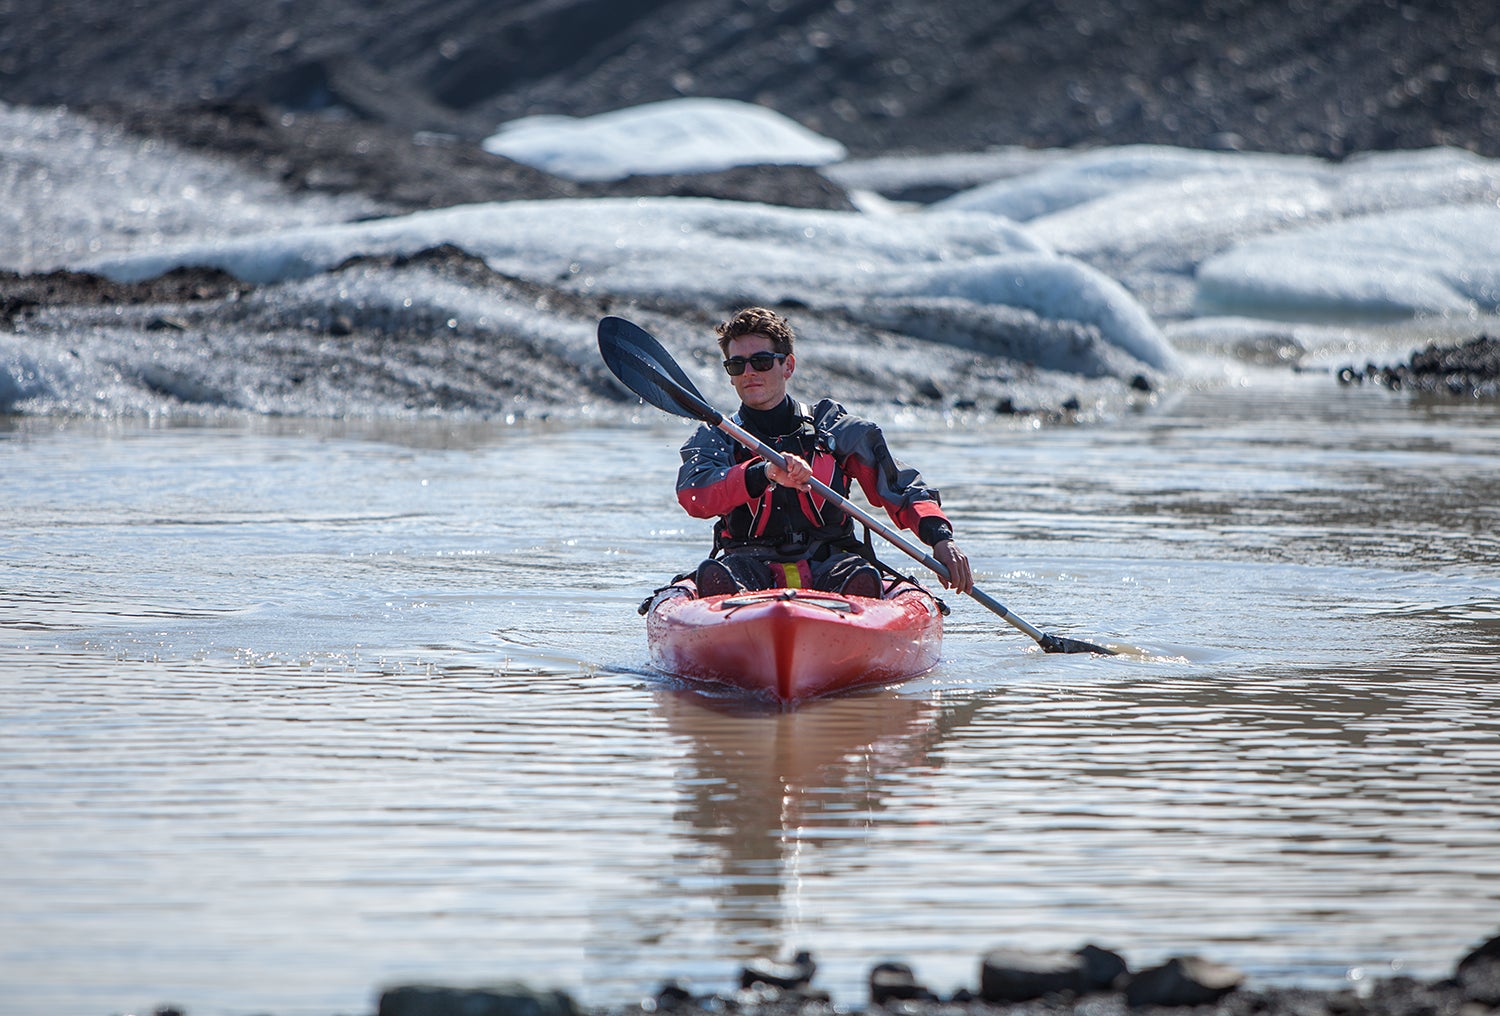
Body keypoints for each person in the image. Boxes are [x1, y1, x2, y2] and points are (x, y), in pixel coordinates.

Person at [676, 306, 974, 599]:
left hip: (833, 563)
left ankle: (855, 617)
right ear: (730, 374)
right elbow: (694, 496)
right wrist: (762, 474)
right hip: (746, 563)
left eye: (762, 361)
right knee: (719, 574)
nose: (749, 372)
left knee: (859, 575)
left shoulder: (834, 428)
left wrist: (941, 539)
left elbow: (902, 488)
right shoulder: (716, 436)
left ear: (788, 366)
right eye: (737, 365)